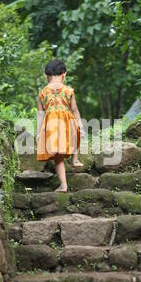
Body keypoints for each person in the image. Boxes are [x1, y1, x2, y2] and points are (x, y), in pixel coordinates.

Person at [36, 59, 86, 193]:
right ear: (64, 74)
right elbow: (74, 110)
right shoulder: (68, 91)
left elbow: (40, 114)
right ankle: (75, 160)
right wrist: (80, 125)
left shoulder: (42, 92)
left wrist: (38, 132)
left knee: (58, 158)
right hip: (67, 121)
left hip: (51, 125)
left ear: (46, 76)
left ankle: (63, 185)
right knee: (75, 136)